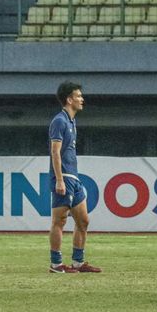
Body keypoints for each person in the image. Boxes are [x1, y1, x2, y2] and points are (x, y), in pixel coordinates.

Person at [48, 81, 101, 274]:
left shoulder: (71, 121)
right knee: (59, 221)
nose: (82, 99)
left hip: (74, 178)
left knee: (83, 221)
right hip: (64, 178)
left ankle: (78, 262)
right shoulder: (59, 121)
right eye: (78, 96)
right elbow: (55, 152)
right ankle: (56, 264)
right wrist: (59, 179)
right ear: (69, 99)